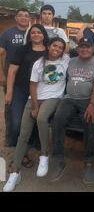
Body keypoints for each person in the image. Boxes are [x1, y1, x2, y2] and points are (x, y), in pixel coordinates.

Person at [3, 37, 69, 192]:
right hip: (34, 98)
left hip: (54, 97)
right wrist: (34, 105)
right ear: (48, 46)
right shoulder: (39, 63)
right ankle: (14, 172)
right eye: (54, 45)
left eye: (60, 47)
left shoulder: (66, 59)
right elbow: (32, 85)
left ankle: (44, 155)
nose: (57, 49)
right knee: (23, 135)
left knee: (41, 118)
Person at [50, 37, 94, 184]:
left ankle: (88, 163)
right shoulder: (71, 60)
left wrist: (92, 105)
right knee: (58, 120)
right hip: (69, 98)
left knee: (90, 122)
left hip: (88, 100)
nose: (84, 49)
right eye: (82, 47)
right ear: (78, 48)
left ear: (93, 48)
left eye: (87, 47)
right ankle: (59, 160)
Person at [4, 24, 49, 156]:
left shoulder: (49, 51)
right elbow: (12, 71)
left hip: (39, 92)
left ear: (44, 34)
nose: (36, 34)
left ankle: (30, 147)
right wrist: (9, 91)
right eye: (33, 32)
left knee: (35, 120)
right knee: (17, 122)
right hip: (20, 90)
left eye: (39, 32)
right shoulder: (22, 50)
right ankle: (19, 147)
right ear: (29, 35)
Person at [0, 8, 31, 88]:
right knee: (9, 96)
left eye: (26, 16)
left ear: (29, 19)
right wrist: (1, 74)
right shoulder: (7, 33)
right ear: (16, 18)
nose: (23, 18)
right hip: (10, 70)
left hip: (29, 71)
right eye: (20, 15)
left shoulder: (34, 33)